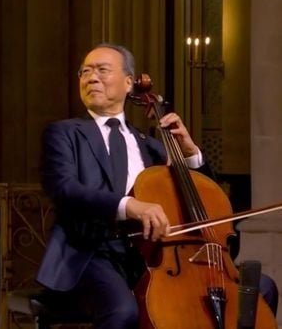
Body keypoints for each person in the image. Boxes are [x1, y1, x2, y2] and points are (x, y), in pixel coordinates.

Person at [36, 43, 278, 328]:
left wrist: (190, 154)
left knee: (263, 288)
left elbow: (208, 205)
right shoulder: (64, 133)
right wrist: (129, 205)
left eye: (102, 70)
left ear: (129, 83)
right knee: (122, 311)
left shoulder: (152, 147)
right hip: (92, 252)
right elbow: (65, 189)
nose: (91, 78)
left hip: (153, 256)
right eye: (85, 72)